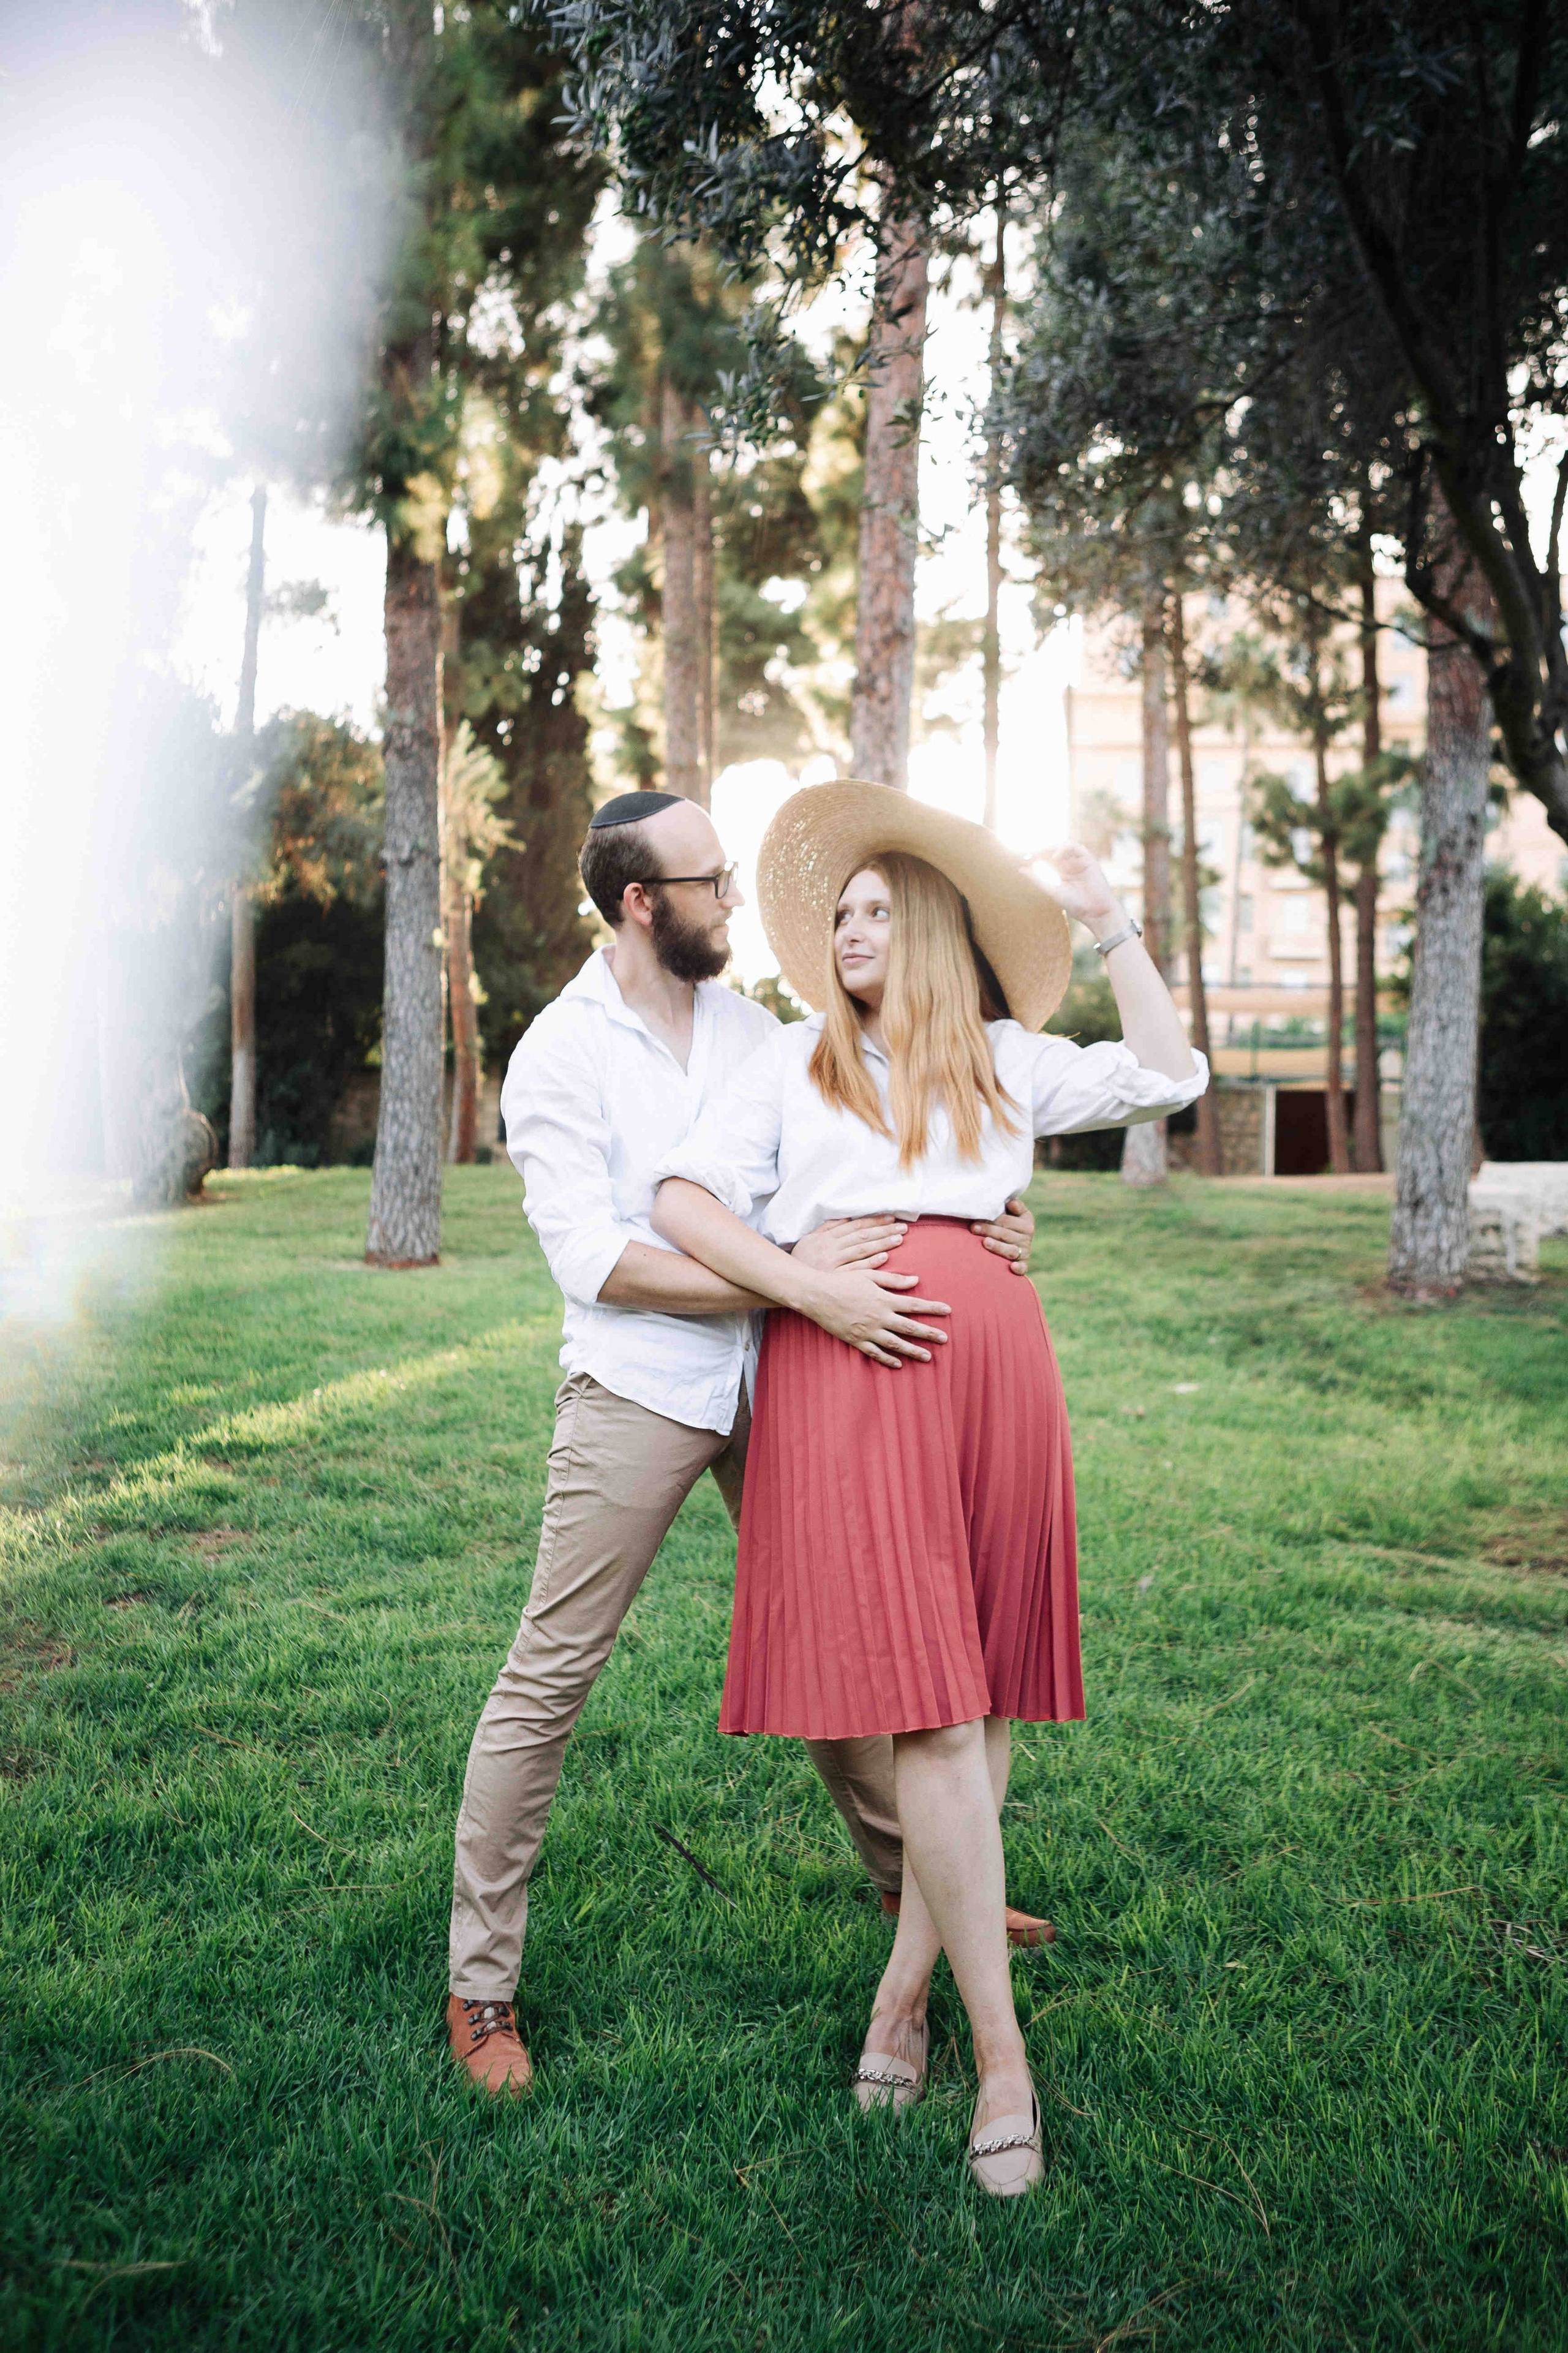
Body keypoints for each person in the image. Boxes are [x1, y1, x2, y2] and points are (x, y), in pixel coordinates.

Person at [651, 780, 1208, 2197]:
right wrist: (808, 1292)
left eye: (876, 910)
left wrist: (1112, 924)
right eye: (835, 912)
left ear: (937, 932)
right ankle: (1002, 2055)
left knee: (979, 1695)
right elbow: (685, 1202)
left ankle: (904, 1998)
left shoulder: (1006, 1061)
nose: (848, 928)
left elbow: (1169, 1073)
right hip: (855, 1378)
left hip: (997, 1375)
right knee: (932, 1709)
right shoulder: (792, 1065)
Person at [445, 788, 1044, 2097]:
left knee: (857, 1658)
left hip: (793, 1377)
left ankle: (932, 1887)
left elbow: (867, 1152)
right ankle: (480, 1987)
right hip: (642, 1387)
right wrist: (787, 1279)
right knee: (549, 1676)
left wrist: (998, 1217)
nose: (734, 900)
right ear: (640, 904)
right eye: (708, 881)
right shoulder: (558, 1053)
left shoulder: (759, 1030)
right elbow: (596, 1258)